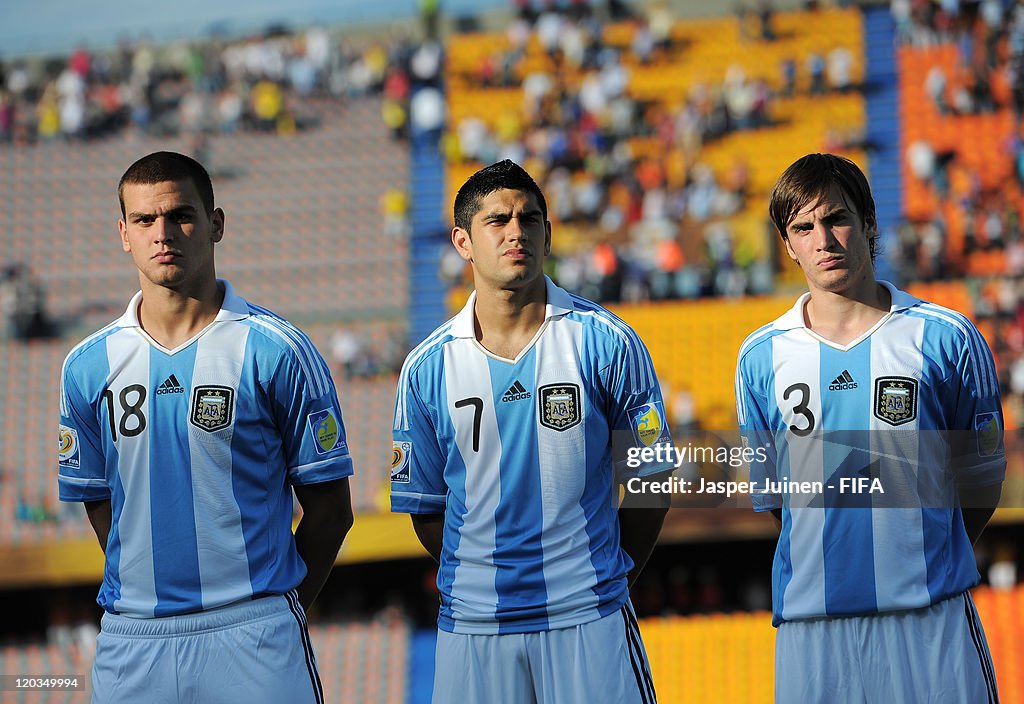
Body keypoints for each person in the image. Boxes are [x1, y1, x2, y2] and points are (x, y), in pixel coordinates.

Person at [57, 151, 354, 704]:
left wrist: (278, 607)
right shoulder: (86, 365)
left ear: (216, 223)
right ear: (124, 233)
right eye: (145, 220)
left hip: (253, 630)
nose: (162, 233)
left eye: (181, 216)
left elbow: (332, 510)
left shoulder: (277, 349)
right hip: (132, 637)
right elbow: (99, 501)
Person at [391, 159, 672, 704]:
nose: (516, 232)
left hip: (588, 619)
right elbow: (426, 511)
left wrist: (606, 578)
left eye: (530, 219)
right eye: (498, 221)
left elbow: (651, 481)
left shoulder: (607, 342)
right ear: (463, 241)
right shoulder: (426, 368)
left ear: (547, 233)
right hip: (474, 629)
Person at [735, 153, 1003, 702]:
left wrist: (924, 552)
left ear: (868, 223)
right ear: (788, 245)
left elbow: (980, 483)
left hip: (930, 623)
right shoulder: (759, 358)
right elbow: (777, 504)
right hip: (814, 633)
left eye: (836, 219)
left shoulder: (945, 338)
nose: (823, 240)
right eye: (803, 228)